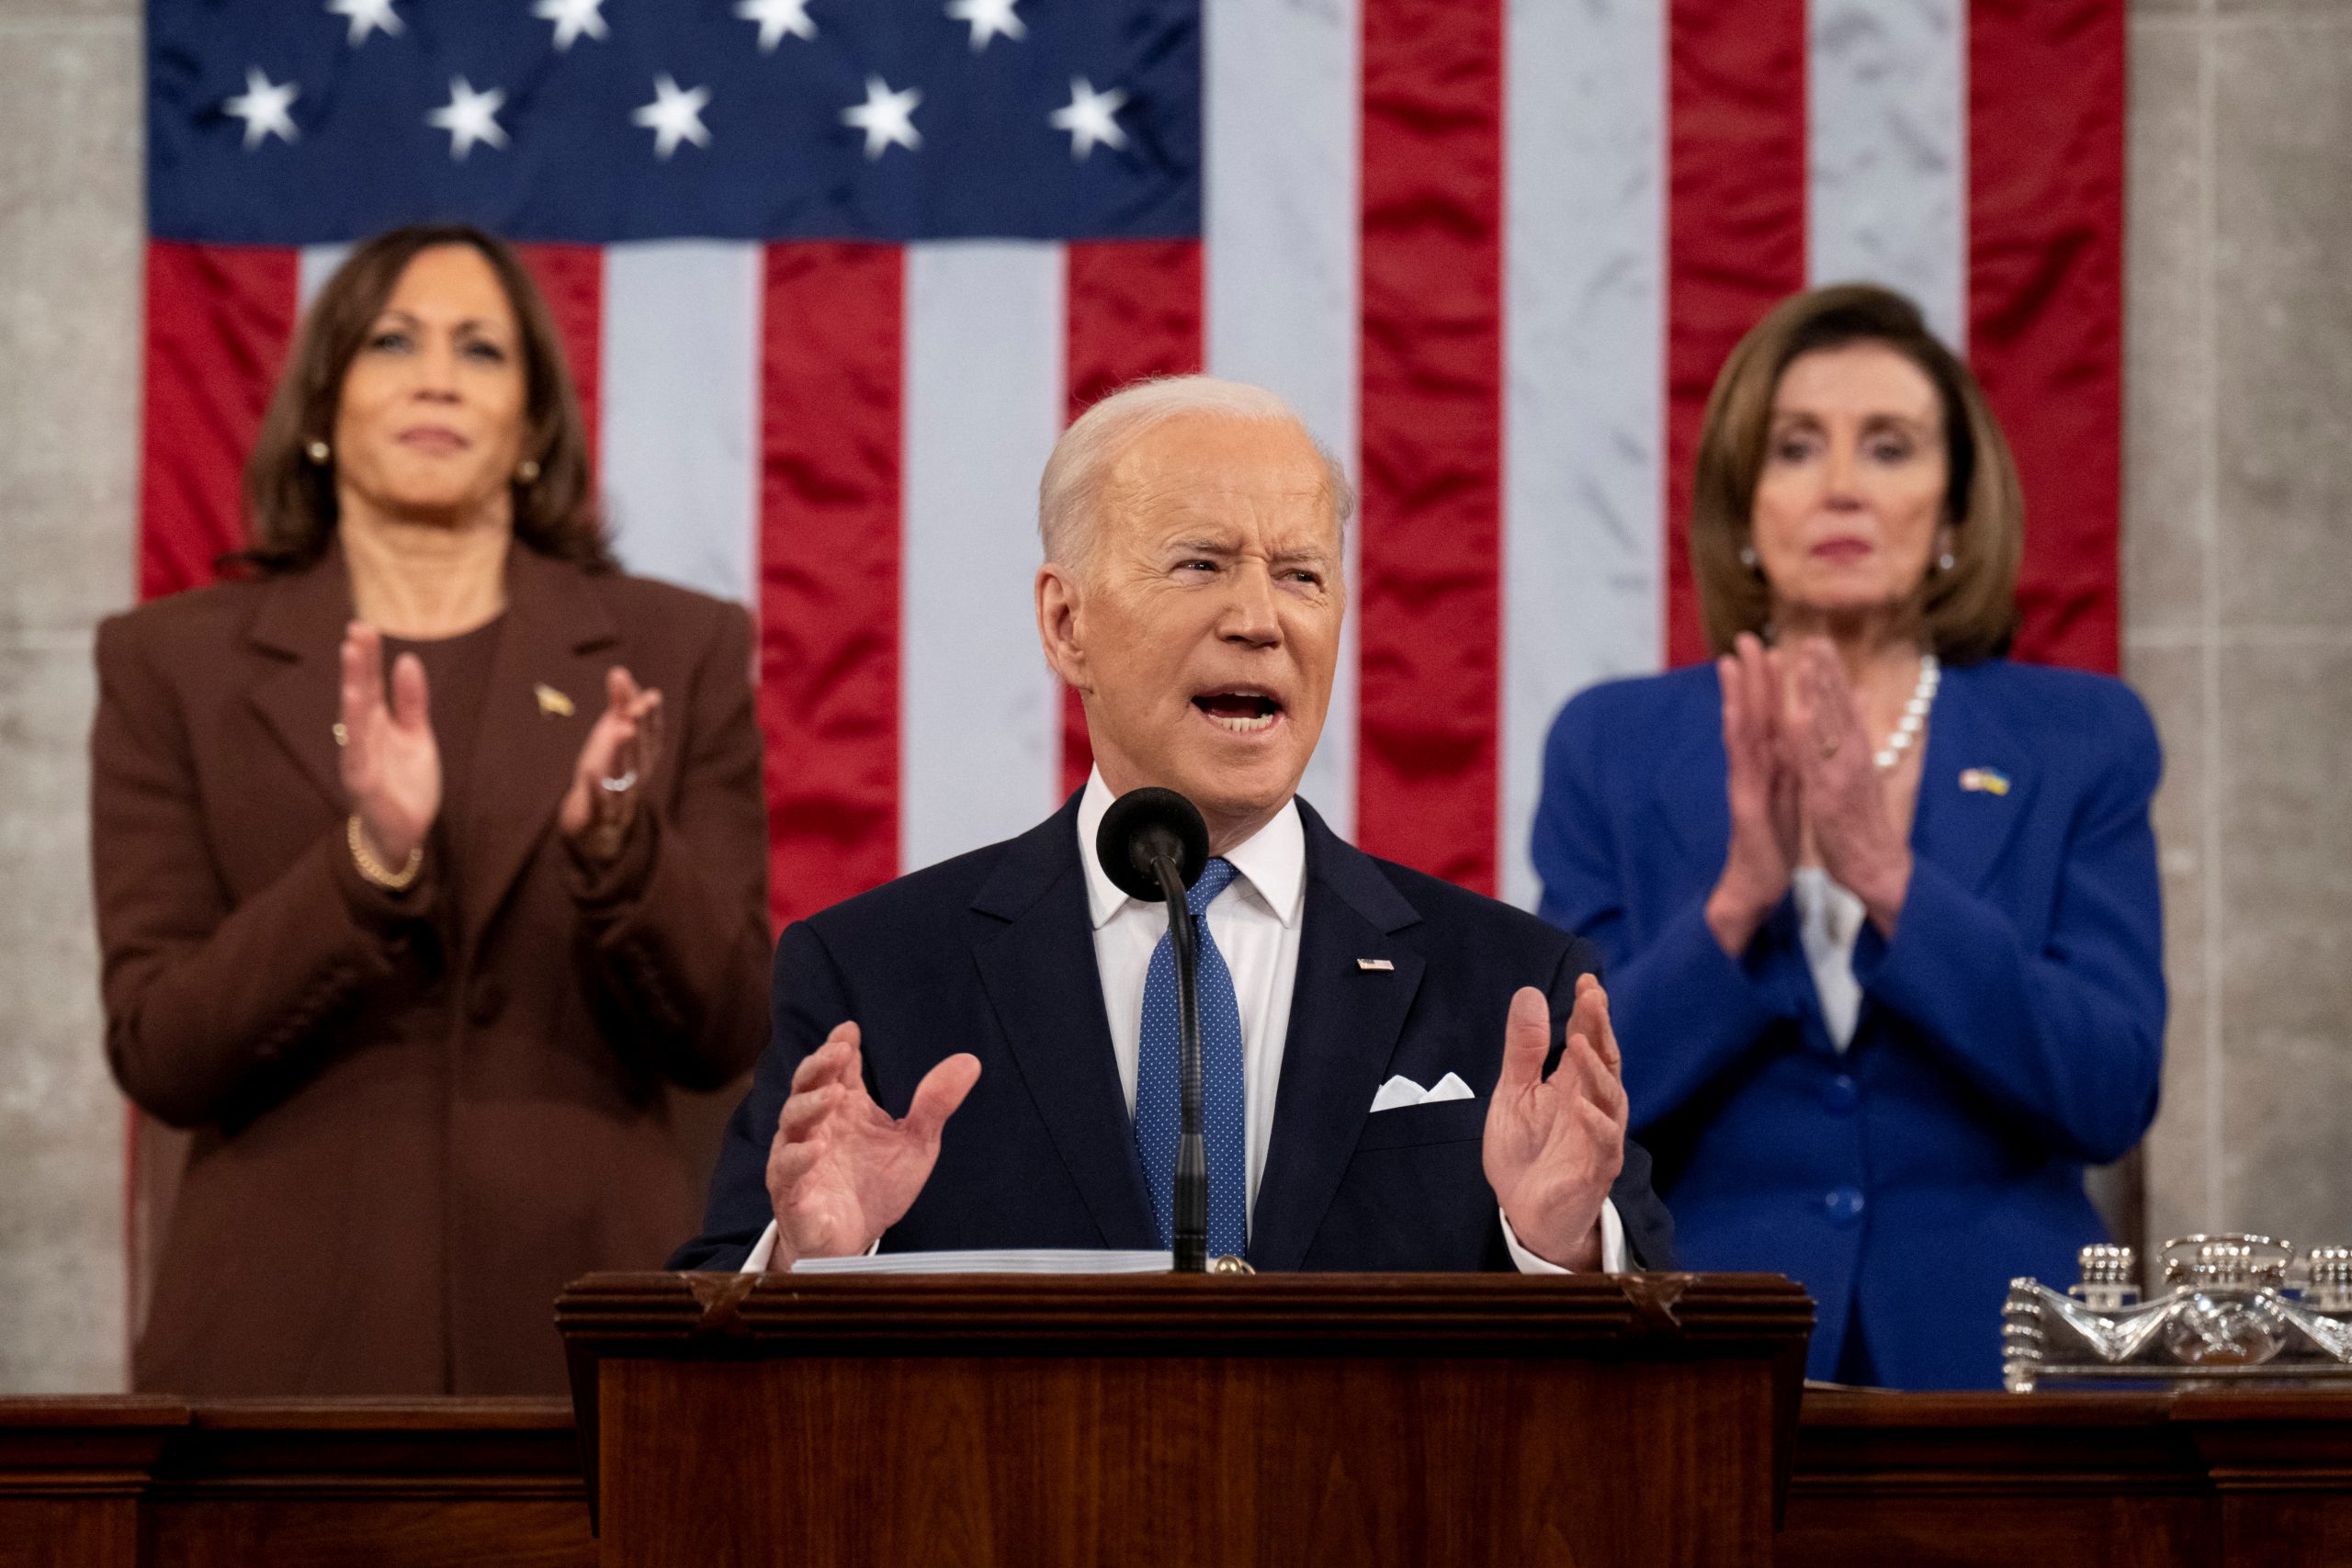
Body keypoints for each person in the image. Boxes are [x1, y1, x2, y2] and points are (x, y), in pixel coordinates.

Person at [675, 378, 1673, 1275]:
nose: (1259, 619)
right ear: (1068, 625)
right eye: (1201, 565)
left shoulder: (1510, 987)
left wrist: (1564, 1250)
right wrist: (810, 1264)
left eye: (1301, 575)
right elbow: (711, 1325)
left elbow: (1664, 1364)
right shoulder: (877, 978)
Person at [91, 223, 773, 1395]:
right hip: (281, 1354)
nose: (437, 375)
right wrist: (368, 862)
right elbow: (163, 1050)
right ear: (321, 404)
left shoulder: (675, 649)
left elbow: (728, 1029)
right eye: (392, 341)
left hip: (598, 1352)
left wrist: (620, 850)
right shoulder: (174, 665)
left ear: (533, 425)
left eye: (482, 350)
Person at [1531, 284, 2164, 1388]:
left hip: (2005, 1367)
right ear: (1743, 508)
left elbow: (2107, 1091)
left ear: (1954, 513)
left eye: (1887, 447)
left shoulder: (2079, 736)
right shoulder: (1613, 745)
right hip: (1701, 1358)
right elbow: (1558, 1103)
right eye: (1794, 448)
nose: (1839, 488)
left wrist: (1888, 879)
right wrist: (1734, 903)